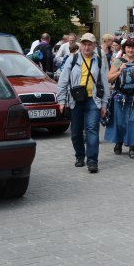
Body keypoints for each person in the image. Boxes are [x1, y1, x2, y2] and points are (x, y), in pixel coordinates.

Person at [56, 33, 109, 173]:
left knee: (92, 130)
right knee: (75, 132)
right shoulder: (72, 59)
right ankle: (80, 156)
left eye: (90, 44)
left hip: (93, 100)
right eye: (84, 44)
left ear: (94, 46)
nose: (87, 47)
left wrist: (104, 104)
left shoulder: (99, 61)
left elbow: (104, 83)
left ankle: (92, 161)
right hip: (75, 100)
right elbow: (63, 81)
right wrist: (61, 101)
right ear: (81, 45)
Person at [104, 37, 134, 159]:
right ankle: (118, 142)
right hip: (120, 96)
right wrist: (120, 70)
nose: (131, 50)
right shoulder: (118, 62)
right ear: (124, 49)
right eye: (128, 47)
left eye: (133, 47)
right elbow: (109, 78)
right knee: (120, 121)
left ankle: (132, 146)